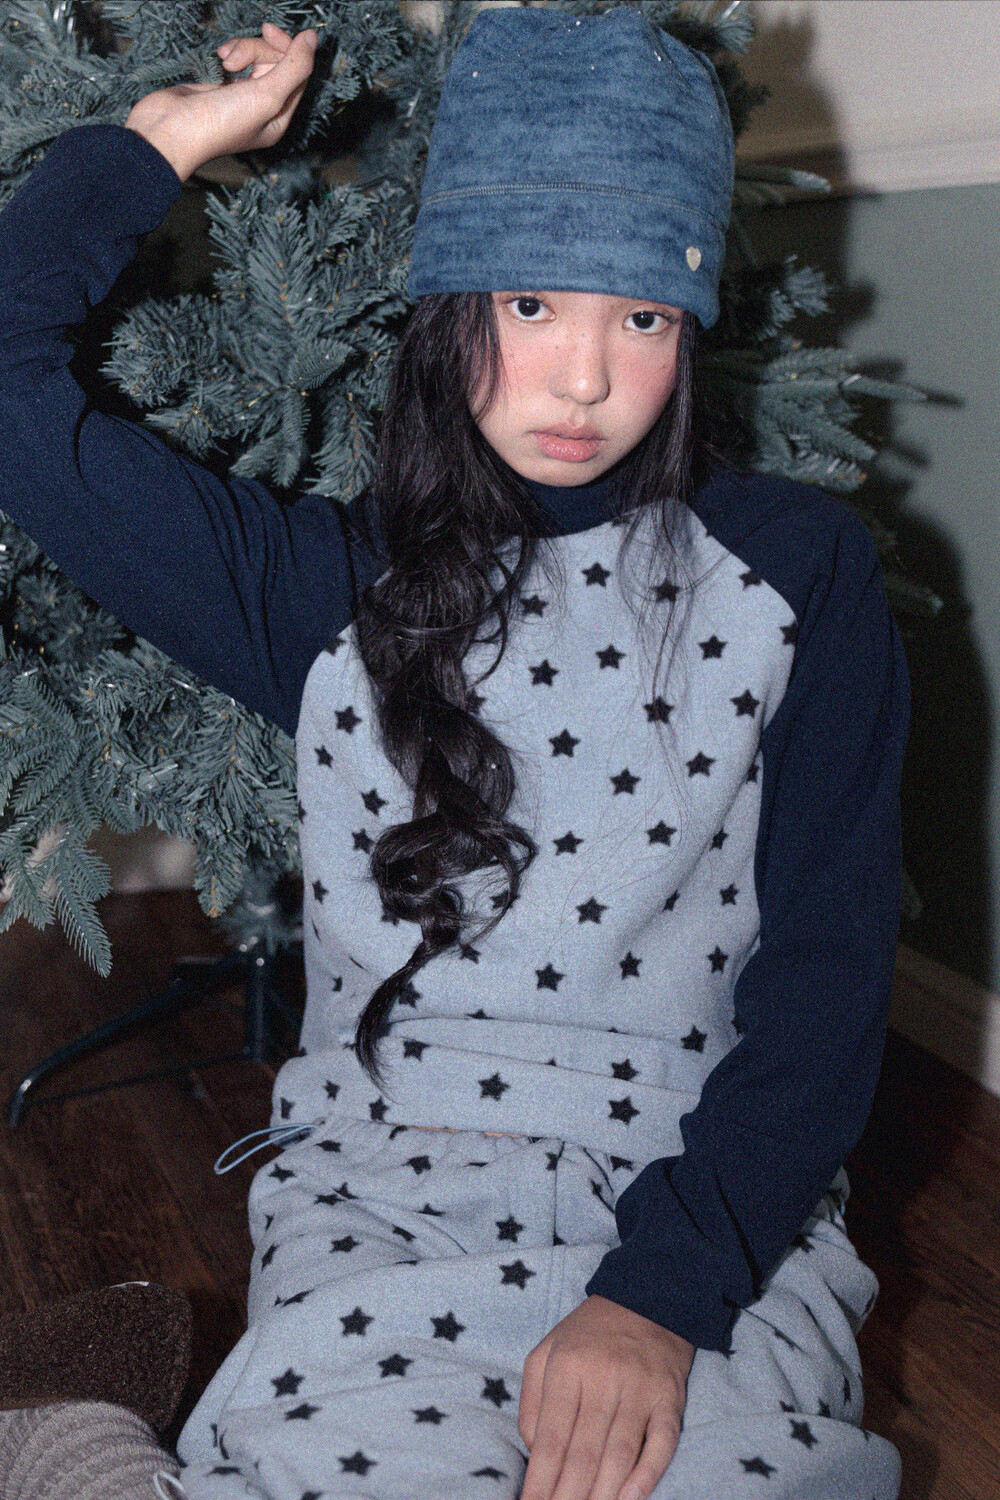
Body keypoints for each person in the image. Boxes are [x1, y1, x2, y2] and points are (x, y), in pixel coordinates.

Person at [0, 8, 908, 1500]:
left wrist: (659, 1297)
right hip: (391, 1188)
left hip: (709, 1197)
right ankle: (77, 1441)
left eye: (644, 317)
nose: (583, 379)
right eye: (531, 303)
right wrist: (162, 144)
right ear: (444, 312)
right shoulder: (319, 592)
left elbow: (830, 973)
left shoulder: (798, 575)